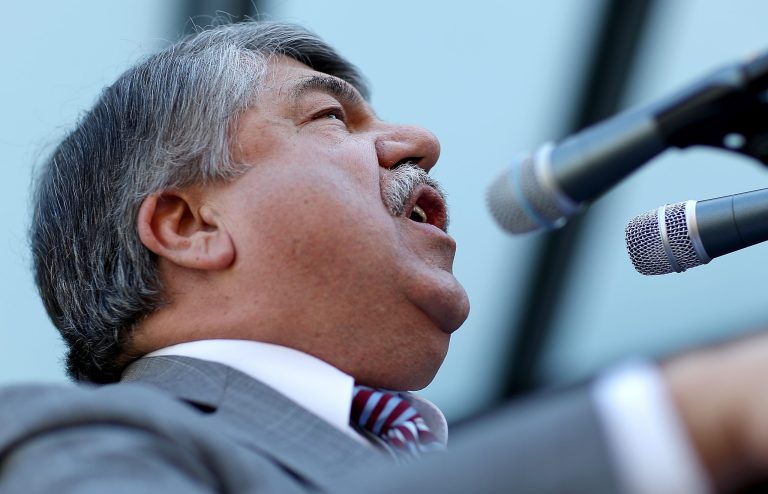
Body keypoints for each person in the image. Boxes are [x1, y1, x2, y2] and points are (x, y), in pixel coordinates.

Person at [3, 20, 768, 493]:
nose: (418, 142)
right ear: (189, 225)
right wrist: (685, 415)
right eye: (330, 115)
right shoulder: (61, 440)